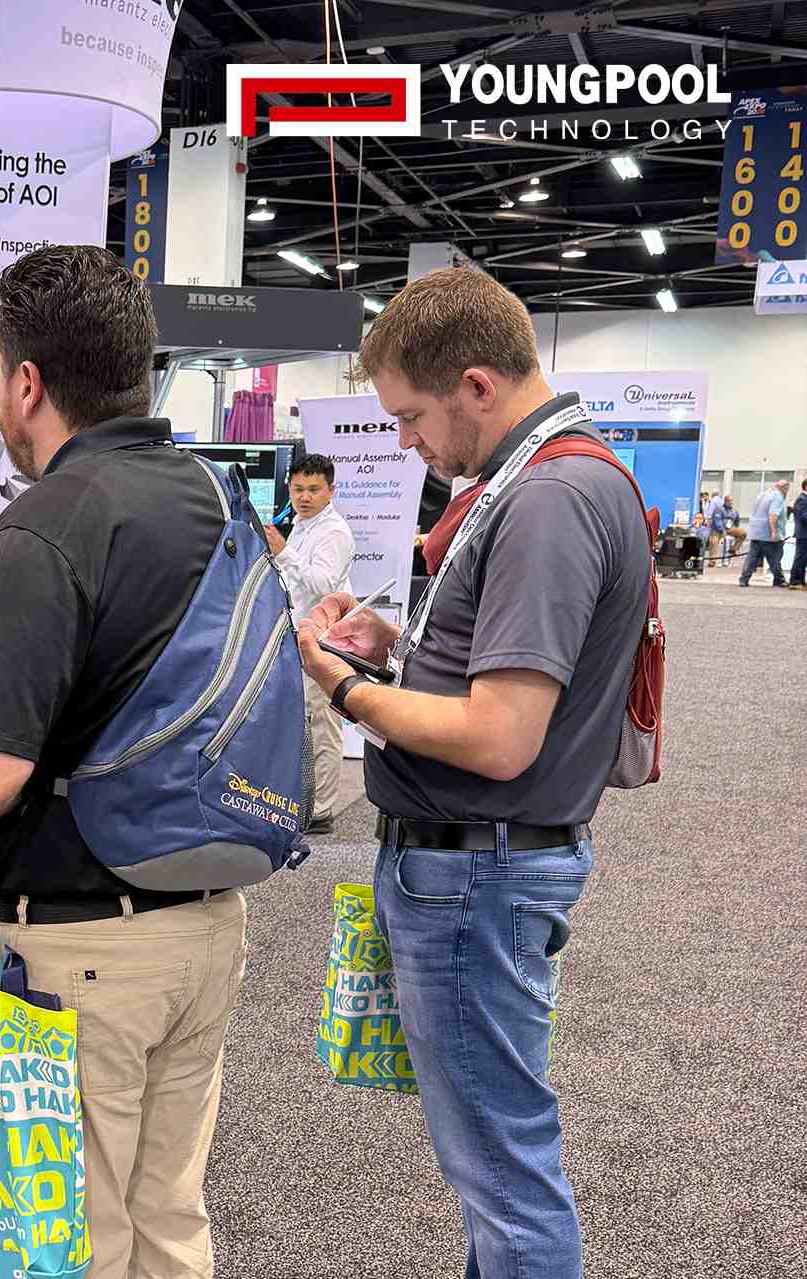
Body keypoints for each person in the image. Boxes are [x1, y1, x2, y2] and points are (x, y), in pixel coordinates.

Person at [296, 267, 650, 1279]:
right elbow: (508, 675)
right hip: (483, 866)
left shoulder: (546, 498)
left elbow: (499, 736)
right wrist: (396, 646)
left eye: (412, 416)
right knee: (495, 1165)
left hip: (476, 873)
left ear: (477, 386)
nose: (407, 441)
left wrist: (343, 686)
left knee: (504, 1174)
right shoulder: (551, 479)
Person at [0, 245, 248, 1279]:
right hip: (207, 920)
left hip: (84, 946)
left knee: (70, 1243)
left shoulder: (44, 526)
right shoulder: (213, 496)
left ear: (24, 382)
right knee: (167, 1218)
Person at [264, 453, 354, 831]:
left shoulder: (333, 532)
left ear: (331, 491)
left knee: (322, 724)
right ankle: (305, 801)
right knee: (302, 723)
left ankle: (322, 810)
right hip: (301, 636)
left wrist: (284, 553)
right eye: (298, 488)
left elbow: (323, 584)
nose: (304, 496)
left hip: (324, 640)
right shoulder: (301, 525)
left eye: (314, 489)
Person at [739, 476, 789, 587]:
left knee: (752, 557)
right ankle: (779, 580)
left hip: (755, 532)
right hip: (768, 533)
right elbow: (773, 515)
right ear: (785, 488)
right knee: (774, 557)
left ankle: (744, 578)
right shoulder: (778, 497)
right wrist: (774, 532)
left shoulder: (762, 494)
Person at [704, 491, 729, 568]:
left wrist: (708, 521)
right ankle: (725, 561)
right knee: (723, 543)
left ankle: (712, 561)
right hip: (724, 524)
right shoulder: (722, 501)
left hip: (715, 525)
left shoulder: (714, 501)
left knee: (713, 543)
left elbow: (710, 513)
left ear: (713, 495)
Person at [790, 478, 807, 589]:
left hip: (804, 534)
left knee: (804, 559)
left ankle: (800, 580)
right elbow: (804, 517)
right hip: (803, 534)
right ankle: (795, 581)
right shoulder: (802, 499)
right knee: (800, 558)